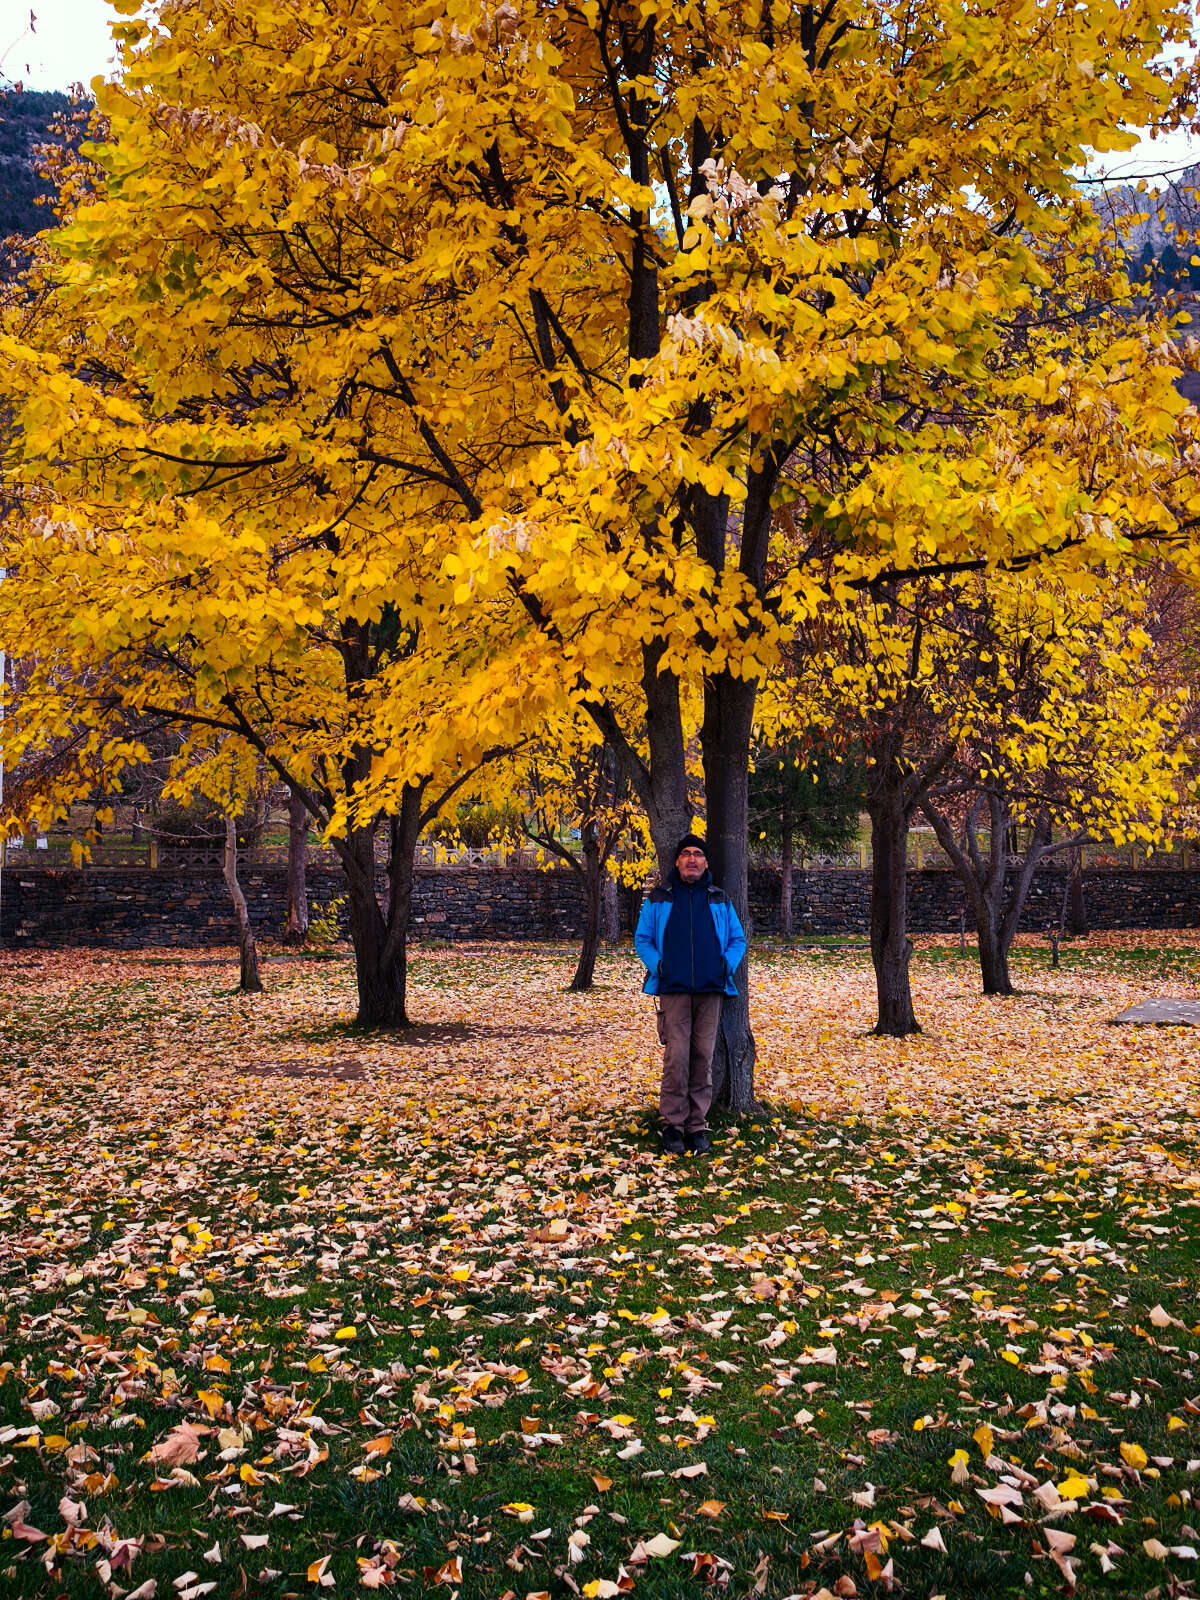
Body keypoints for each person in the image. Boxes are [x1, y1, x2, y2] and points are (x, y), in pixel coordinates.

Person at [634, 833, 747, 1156]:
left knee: (702, 1059)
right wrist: (661, 967)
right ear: (677, 861)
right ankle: (673, 1126)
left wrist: (725, 965)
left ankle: (697, 1127)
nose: (692, 859)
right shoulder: (660, 898)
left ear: (706, 862)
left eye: (698, 854)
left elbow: (737, 939)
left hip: (712, 990)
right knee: (676, 1059)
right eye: (686, 854)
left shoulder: (719, 898)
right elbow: (642, 939)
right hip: (674, 990)